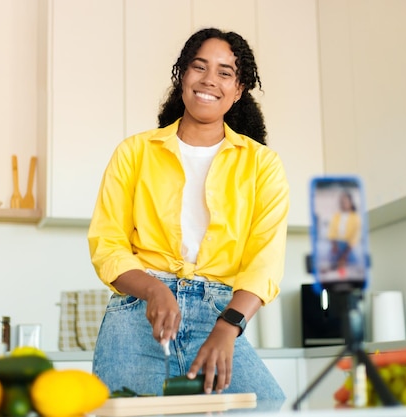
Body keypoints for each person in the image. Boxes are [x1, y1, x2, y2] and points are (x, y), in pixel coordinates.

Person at [87, 27, 289, 402]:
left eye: (225, 72)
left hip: (219, 316)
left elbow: (266, 261)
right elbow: (107, 243)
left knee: (266, 405)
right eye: (199, 67)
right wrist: (153, 289)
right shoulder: (134, 152)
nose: (210, 79)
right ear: (182, 75)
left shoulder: (263, 165)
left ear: (239, 89)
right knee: (129, 411)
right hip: (139, 314)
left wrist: (228, 327)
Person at [327, 190, 361, 274]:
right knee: (331, 262)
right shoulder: (336, 216)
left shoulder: (355, 217)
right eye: (342, 202)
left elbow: (354, 237)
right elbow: (332, 232)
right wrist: (334, 246)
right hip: (336, 244)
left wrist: (344, 255)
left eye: (346, 201)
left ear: (351, 202)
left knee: (353, 263)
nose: (344, 204)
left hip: (348, 246)